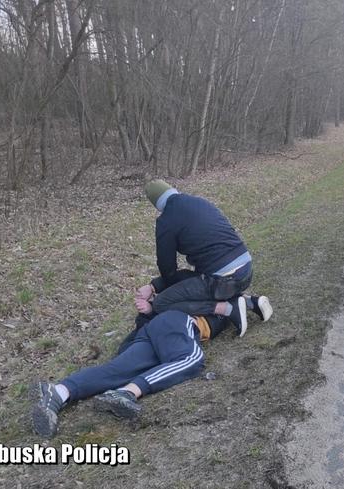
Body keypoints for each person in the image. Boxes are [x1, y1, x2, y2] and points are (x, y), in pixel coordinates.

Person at [31, 311, 228, 438]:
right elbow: (249, 302)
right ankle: (127, 392)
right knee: (191, 359)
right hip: (178, 322)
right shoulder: (224, 292)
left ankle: (57, 392)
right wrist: (249, 302)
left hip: (151, 330)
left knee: (117, 370)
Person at [134, 179, 273, 337]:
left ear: (157, 204)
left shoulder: (166, 221)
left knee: (162, 303)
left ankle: (227, 308)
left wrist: (165, 292)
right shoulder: (199, 202)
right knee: (192, 279)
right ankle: (250, 302)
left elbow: (167, 268)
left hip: (222, 281)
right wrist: (153, 286)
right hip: (246, 270)